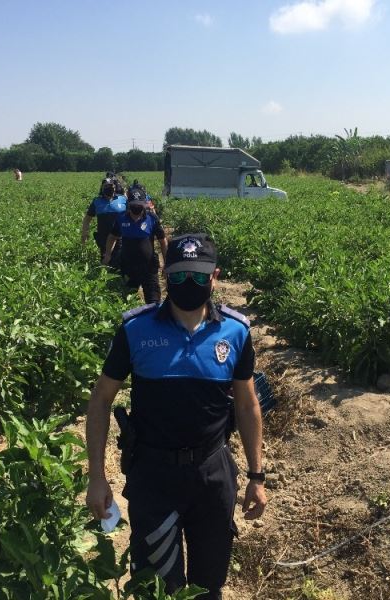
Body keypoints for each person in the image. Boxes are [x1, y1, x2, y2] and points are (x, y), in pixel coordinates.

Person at [86, 233, 267, 600]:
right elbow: (101, 399)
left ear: (214, 276)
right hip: (154, 476)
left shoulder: (234, 331)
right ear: (166, 276)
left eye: (198, 276)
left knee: (207, 587)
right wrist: (97, 477)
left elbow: (248, 405)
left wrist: (256, 476)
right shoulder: (136, 329)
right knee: (157, 588)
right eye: (180, 276)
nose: (189, 283)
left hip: (212, 474)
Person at [103, 189, 167, 303]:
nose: (136, 207)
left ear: (144, 204)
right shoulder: (121, 218)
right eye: (134, 205)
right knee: (127, 300)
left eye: (139, 205)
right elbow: (112, 237)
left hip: (149, 267)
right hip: (128, 266)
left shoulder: (152, 218)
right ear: (129, 204)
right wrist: (108, 254)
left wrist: (167, 262)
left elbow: (162, 241)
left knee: (153, 302)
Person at [82, 181, 127, 260]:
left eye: (111, 186)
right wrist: (85, 233)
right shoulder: (97, 201)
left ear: (115, 188)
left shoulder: (122, 199)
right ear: (102, 188)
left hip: (121, 237)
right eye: (106, 186)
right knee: (106, 260)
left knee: (120, 260)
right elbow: (87, 218)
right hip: (104, 238)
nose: (109, 188)